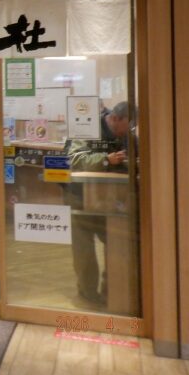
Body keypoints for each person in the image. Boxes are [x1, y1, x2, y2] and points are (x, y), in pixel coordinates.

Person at [64, 101, 130, 306]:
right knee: (84, 248)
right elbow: (74, 159)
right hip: (79, 195)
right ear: (115, 118)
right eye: (126, 126)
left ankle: (112, 291)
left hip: (112, 197)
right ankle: (88, 293)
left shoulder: (127, 137)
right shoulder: (87, 127)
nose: (127, 132)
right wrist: (106, 159)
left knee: (116, 243)